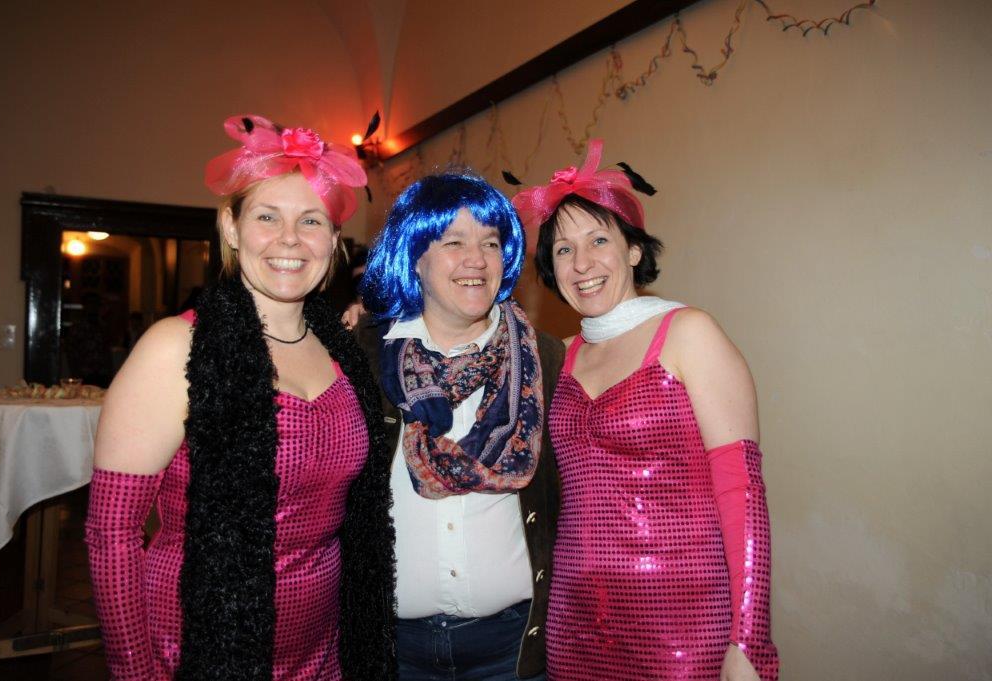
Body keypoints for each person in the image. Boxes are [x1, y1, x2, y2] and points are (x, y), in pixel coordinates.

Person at [85, 115, 396, 680]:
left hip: (326, 652)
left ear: (333, 239)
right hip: (198, 649)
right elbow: (112, 533)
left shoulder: (345, 353)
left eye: (311, 220)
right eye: (267, 216)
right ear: (230, 228)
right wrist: (136, 672)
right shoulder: (176, 348)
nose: (290, 239)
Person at [513, 140, 779, 681]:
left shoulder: (689, 334)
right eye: (563, 250)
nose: (581, 264)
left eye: (598, 240)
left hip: (681, 627)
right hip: (573, 625)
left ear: (633, 250)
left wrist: (749, 639)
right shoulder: (558, 358)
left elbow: (742, 491)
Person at [355, 173, 564, 680]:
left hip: (511, 651)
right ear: (415, 257)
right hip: (392, 652)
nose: (477, 260)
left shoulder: (547, 358)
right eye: (454, 243)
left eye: (490, 243)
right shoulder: (361, 355)